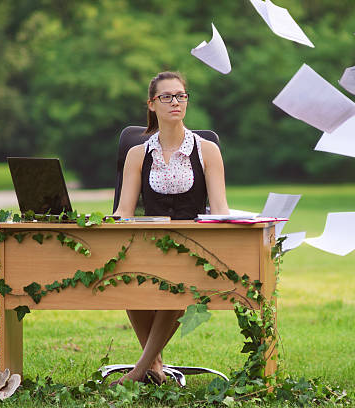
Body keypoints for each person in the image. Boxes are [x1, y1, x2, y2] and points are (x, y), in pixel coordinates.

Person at [112, 71, 230, 385]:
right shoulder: (137, 154)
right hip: (148, 247)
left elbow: (220, 210)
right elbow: (123, 212)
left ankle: (139, 372)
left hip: (192, 250)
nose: (175, 102)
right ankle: (155, 367)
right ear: (152, 104)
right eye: (166, 97)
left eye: (181, 96)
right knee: (124, 281)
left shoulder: (208, 151)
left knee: (178, 285)